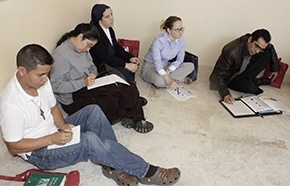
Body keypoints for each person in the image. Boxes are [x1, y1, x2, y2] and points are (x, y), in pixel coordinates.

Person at [0, 44, 181, 186]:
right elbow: (14, 146)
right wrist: (52, 139)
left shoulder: (41, 81)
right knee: (89, 140)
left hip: (53, 131)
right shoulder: (11, 104)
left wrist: (62, 125)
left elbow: (53, 107)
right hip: (40, 152)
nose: (45, 79)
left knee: (92, 110)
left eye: (46, 74)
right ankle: (148, 172)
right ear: (22, 71)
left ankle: (113, 165)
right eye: (41, 75)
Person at [50, 23, 153, 133]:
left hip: (90, 86)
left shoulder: (82, 48)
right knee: (112, 100)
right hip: (74, 99)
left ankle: (133, 109)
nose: (88, 50)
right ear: (80, 37)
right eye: (88, 45)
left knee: (128, 85)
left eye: (91, 47)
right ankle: (132, 104)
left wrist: (93, 74)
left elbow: (92, 66)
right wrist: (83, 82)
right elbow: (55, 86)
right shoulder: (61, 55)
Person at [209, 29, 280, 104]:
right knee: (251, 88)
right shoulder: (231, 51)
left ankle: (251, 80)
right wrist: (225, 94)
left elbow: (270, 47)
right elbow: (219, 76)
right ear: (250, 39)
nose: (257, 51)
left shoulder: (255, 47)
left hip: (242, 69)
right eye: (256, 46)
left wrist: (275, 68)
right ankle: (256, 81)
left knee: (267, 54)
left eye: (261, 49)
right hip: (231, 77)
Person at [142, 16, 194, 91]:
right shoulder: (159, 41)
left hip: (165, 65)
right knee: (159, 81)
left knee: (190, 66)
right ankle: (177, 80)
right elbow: (158, 64)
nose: (181, 32)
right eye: (177, 30)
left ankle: (169, 80)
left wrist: (169, 70)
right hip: (151, 67)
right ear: (169, 30)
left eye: (182, 29)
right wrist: (169, 81)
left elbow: (180, 59)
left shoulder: (181, 39)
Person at [90, 4, 139, 83]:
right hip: (103, 64)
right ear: (99, 19)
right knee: (126, 73)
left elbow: (116, 47)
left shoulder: (109, 30)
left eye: (111, 14)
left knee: (133, 63)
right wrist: (125, 65)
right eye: (107, 17)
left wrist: (129, 57)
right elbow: (105, 57)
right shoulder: (95, 35)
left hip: (112, 58)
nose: (111, 18)